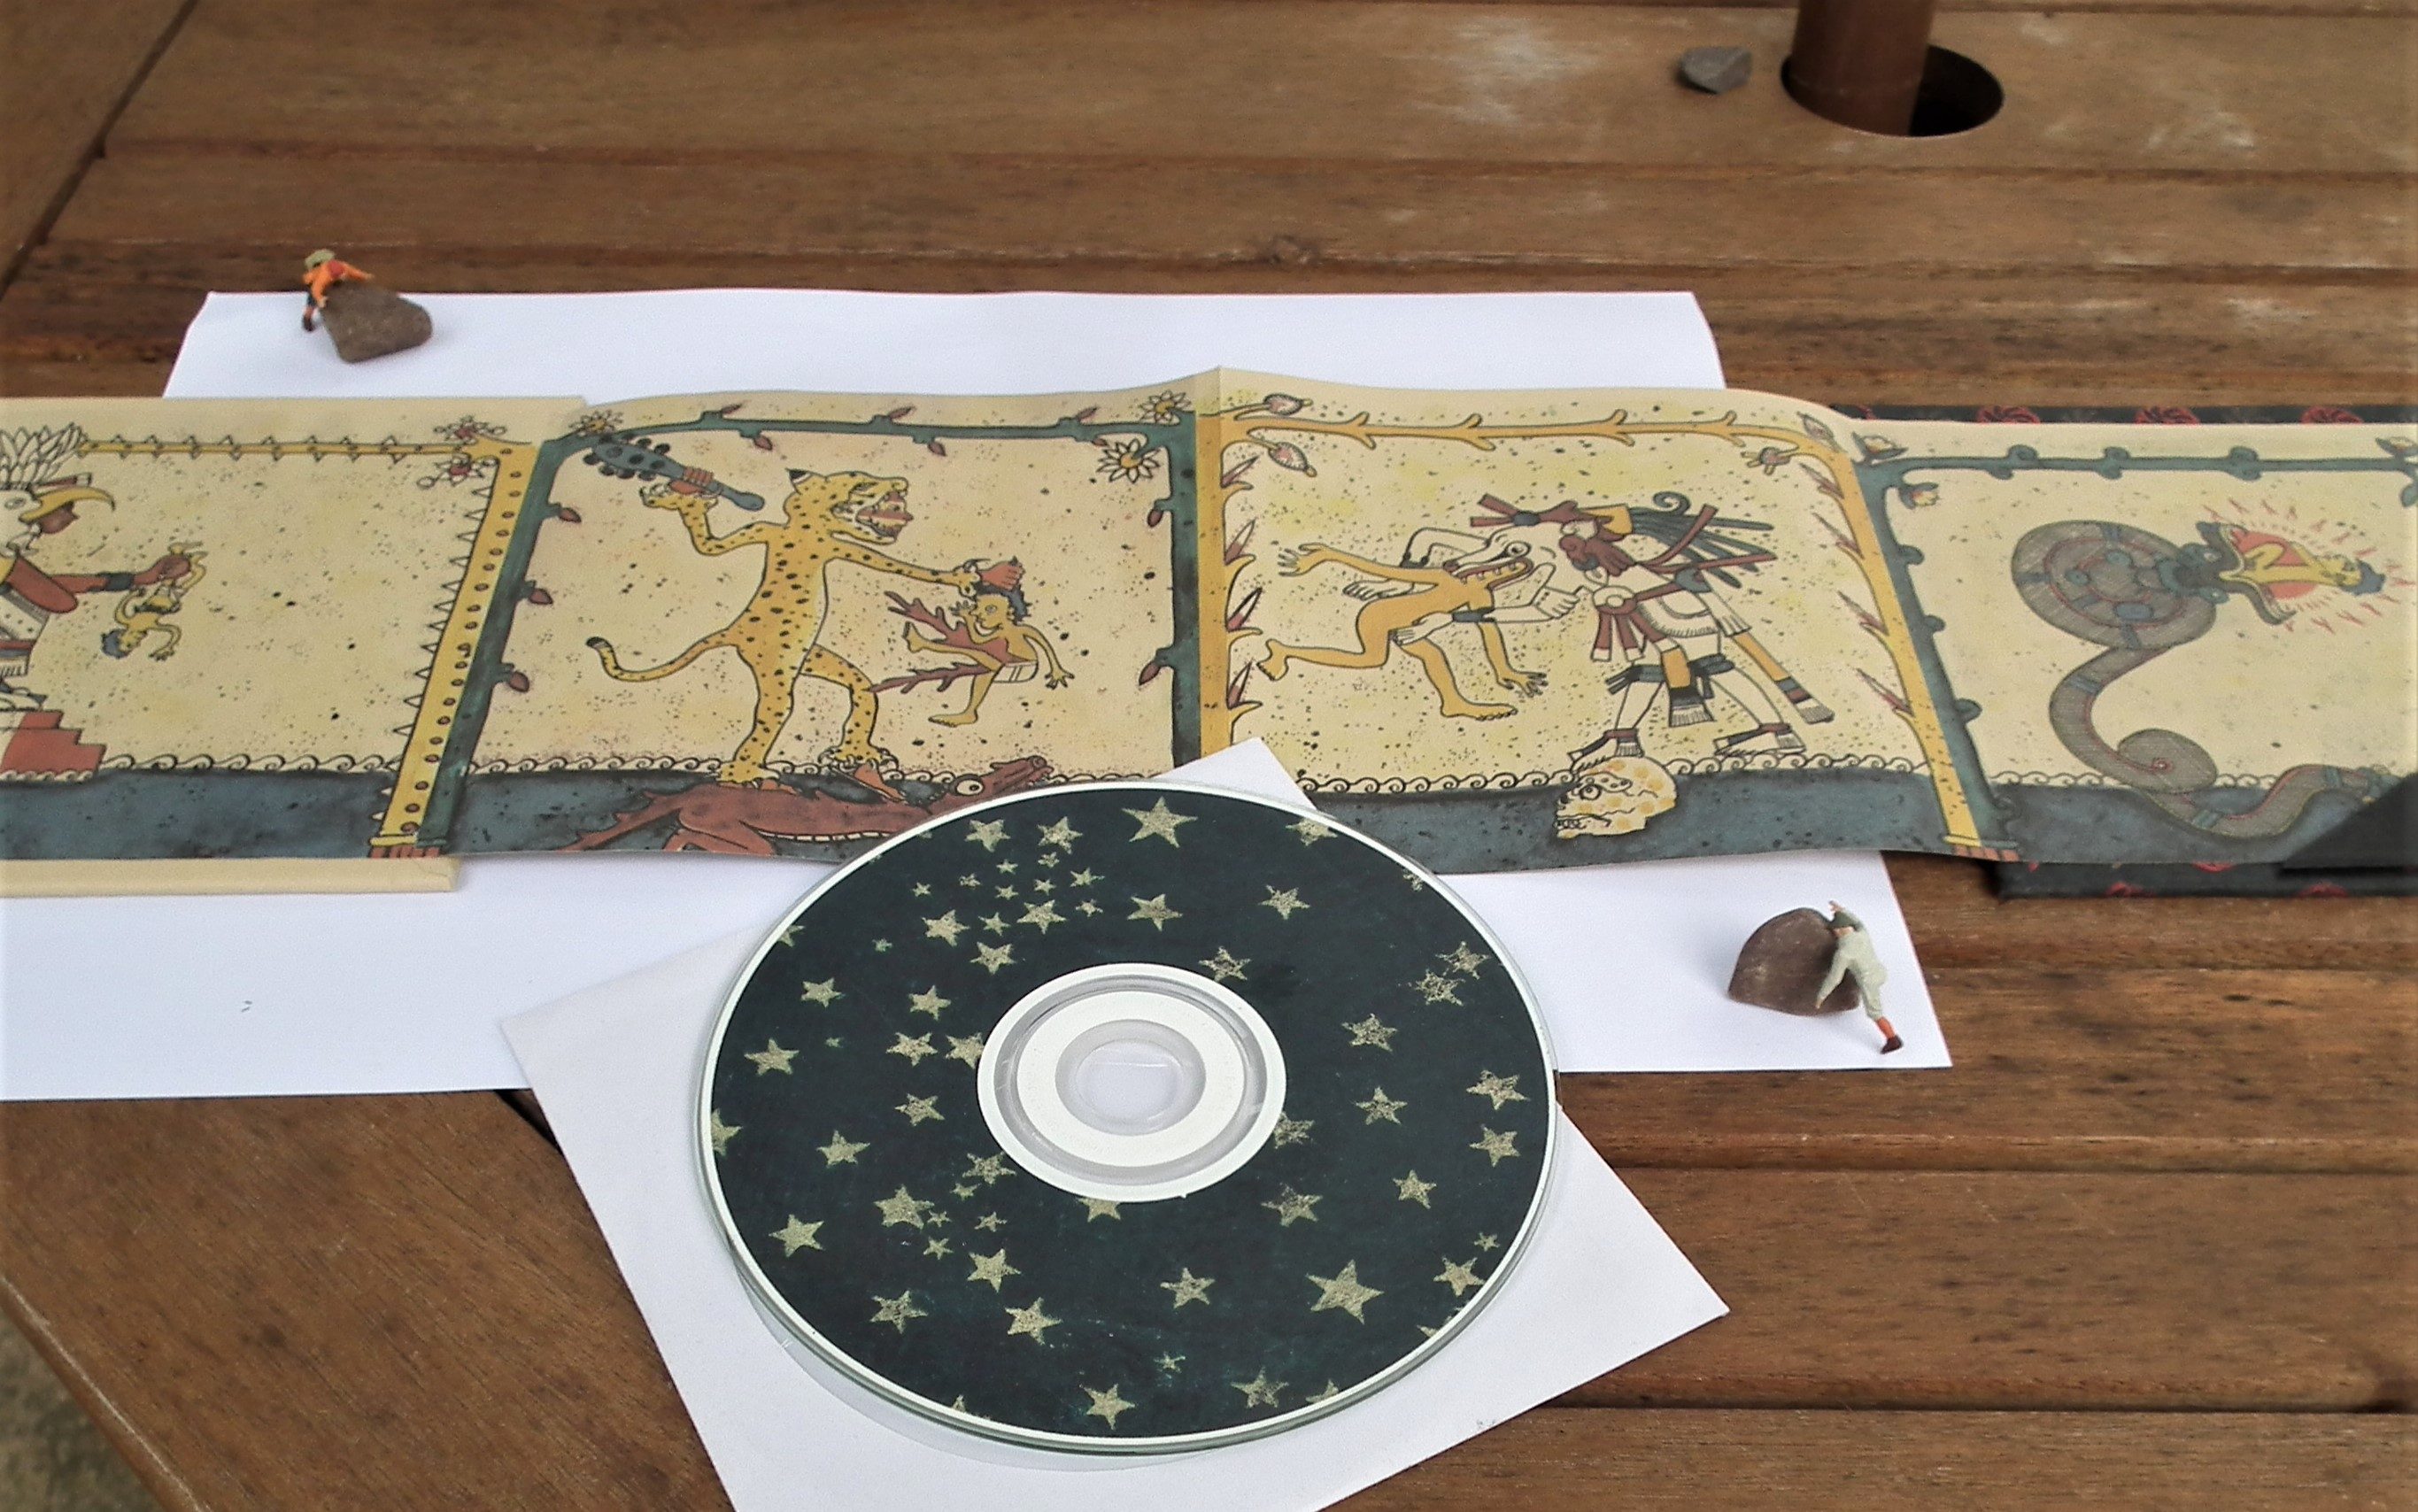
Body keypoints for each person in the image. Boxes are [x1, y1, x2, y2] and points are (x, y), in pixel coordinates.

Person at [1819, 901, 1902, 1053]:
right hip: (1881, 972)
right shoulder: (1863, 933)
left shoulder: (1843, 953)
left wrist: (1822, 995)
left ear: (1838, 931)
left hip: (1868, 981)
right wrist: (1843, 910)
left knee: (1875, 1013)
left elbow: (1834, 978)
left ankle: (1893, 1039)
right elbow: (1858, 922)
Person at [299, 250, 373, 332]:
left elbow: (354, 272)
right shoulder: (324, 277)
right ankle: (307, 319)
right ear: (332, 276)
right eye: (340, 276)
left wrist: (365, 276)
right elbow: (316, 289)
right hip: (313, 282)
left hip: (330, 280)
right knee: (312, 301)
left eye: (343, 274)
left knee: (336, 284)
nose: (343, 276)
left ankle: (333, 287)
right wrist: (320, 299)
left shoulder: (344, 267)